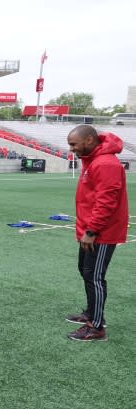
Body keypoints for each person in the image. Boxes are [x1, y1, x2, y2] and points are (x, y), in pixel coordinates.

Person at [64, 125, 129, 342]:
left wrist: (92, 230)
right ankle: (91, 314)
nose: (72, 149)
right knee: (85, 270)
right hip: (90, 230)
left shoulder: (105, 163)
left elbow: (106, 202)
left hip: (101, 232)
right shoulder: (93, 160)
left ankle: (97, 327)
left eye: (74, 144)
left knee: (95, 276)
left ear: (89, 140)